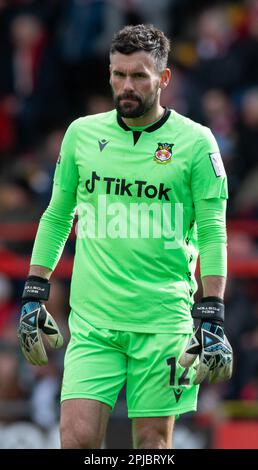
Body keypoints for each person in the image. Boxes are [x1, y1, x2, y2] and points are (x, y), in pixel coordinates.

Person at [17, 24, 233, 449]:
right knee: (76, 439)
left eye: (138, 76)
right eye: (118, 74)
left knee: (152, 444)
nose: (125, 86)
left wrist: (213, 311)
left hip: (163, 321)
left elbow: (212, 230)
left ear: (164, 79)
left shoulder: (196, 143)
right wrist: (34, 289)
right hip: (94, 321)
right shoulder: (82, 133)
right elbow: (58, 214)